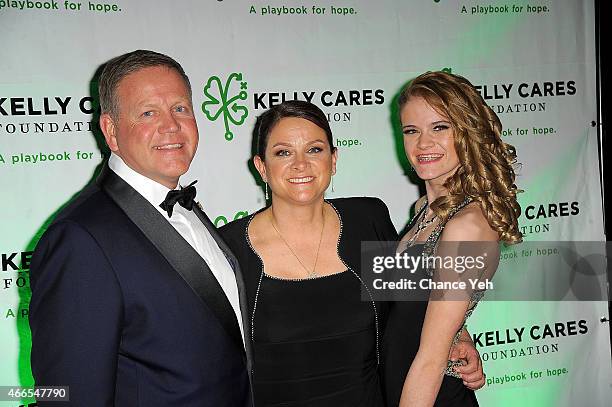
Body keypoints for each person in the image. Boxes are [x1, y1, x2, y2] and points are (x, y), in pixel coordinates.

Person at [220, 100, 484, 407]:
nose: (301, 163)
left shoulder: (367, 219)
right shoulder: (229, 249)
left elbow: (413, 295)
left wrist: (458, 335)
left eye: (315, 149)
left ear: (333, 160)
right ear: (262, 167)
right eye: (283, 152)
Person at [28, 50, 252, 406]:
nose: (171, 125)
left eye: (180, 108)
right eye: (148, 113)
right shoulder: (80, 239)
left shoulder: (185, 204)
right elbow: (69, 398)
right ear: (111, 131)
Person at [382, 71, 522, 407]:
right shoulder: (423, 209)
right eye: (411, 131)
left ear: (467, 131)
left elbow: (430, 360)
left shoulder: (466, 226)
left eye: (440, 127)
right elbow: (425, 310)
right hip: (401, 383)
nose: (422, 144)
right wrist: (461, 336)